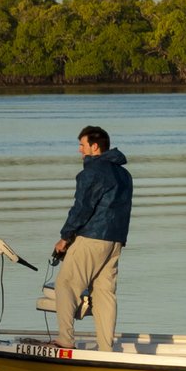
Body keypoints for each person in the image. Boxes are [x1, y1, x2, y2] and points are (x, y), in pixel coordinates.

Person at [52, 125, 132, 351]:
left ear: (94, 147)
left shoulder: (92, 172)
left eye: (82, 145)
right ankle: (106, 348)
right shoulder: (124, 174)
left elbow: (82, 208)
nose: (79, 150)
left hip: (92, 237)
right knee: (105, 294)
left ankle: (65, 340)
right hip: (115, 240)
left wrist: (65, 238)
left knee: (66, 285)